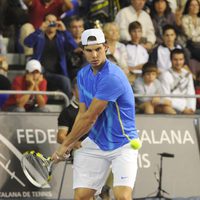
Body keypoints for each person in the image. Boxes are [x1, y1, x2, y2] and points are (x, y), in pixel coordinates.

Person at [52, 28, 140, 200]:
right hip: (96, 142)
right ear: (83, 51)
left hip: (123, 143)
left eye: (98, 49)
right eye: (89, 50)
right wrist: (70, 143)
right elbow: (82, 113)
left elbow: (91, 117)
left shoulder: (112, 77)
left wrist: (65, 146)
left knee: (122, 196)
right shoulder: (83, 75)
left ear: (106, 48)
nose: (94, 55)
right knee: (82, 196)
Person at [24, 14, 74, 98]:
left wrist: (65, 31)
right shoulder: (39, 36)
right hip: (40, 72)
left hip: (57, 73)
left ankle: (70, 104)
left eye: (54, 22)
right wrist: (39, 30)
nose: (51, 24)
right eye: (49, 21)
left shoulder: (61, 37)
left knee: (65, 80)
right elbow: (27, 42)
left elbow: (73, 47)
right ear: (44, 23)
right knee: (38, 72)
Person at [159, 48, 196, 114]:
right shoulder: (165, 75)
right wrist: (183, 109)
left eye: (180, 59)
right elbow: (166, 97)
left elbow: (191, 93)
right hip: (172, 108)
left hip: (187, 109)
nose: (178, 62)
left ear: (184, 60)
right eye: (175, 60)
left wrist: (191, 109)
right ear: (171, 60)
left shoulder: (188, 75)